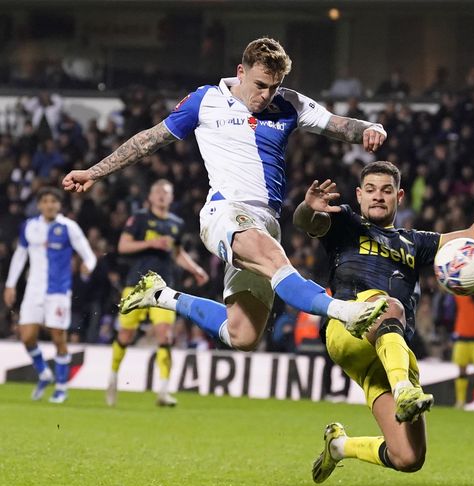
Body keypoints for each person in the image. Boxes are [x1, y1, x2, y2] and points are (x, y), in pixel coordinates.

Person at [62, 37, 390, 352]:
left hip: (265, 222)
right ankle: (348, 313)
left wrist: (370, 129)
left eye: (274, 86)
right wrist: (94, 172)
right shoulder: (205, 100)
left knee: (242, 335)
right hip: (226, 213)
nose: (266, 94)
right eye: (260, 85)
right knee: (278, 263)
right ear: (241, 72)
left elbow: (338, 125)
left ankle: (162, 295)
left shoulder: (289, 103)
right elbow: (149, 140)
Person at [295, 155, 474, 483]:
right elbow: (307, 222)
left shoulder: (415, 243)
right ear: (358, 195)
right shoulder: (345, 224)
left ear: (399, 197)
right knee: (389, 304)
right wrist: (308, 208)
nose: (378, 195)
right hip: (347, 327)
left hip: (385, 354)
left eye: (386, 190)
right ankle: (403, 390)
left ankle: (338, 446)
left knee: (408, 457)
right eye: (370, 189)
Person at [106, 179, 209, 407]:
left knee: (165, 336)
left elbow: (178, 253)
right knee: (125, 335)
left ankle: (163, 390)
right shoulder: (139, 219)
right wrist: (150, 244)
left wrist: (196, 269)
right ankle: (113, 378)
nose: (162, 195)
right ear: (151, 197)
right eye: (158, 192)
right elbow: (123, 246)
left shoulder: (176, 224)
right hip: (136, 284)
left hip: (164, 287)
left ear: (171, 198)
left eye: (166, 192)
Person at [3, 187, 97, 403]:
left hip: (58, 291)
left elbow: (88, 254)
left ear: (59, 205)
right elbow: (20, 255)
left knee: (57, 337)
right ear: (39, 205)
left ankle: (61, 387)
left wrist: (88, 267)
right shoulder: (30, 226)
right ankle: (45, 374)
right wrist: (10, 284)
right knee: (27, 337)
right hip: (33, 289)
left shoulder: (68, 227)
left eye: (53, 201)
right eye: (45, 201)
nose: (49, 205)